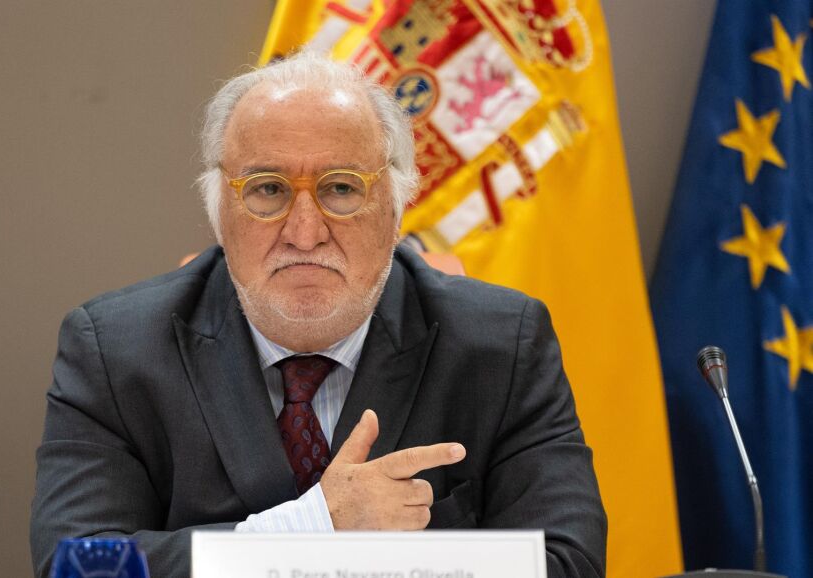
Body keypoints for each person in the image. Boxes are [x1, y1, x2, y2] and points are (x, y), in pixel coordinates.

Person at [30, 52, 606, 578]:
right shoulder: (115, 351)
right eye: (267, 190)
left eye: (341, 189)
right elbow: (77, 567)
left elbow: (569, 563)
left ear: (397, 208)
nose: (305, 233)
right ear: (219, 213)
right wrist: (313, 527)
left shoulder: (502, 345)